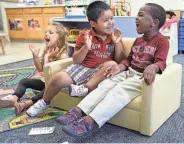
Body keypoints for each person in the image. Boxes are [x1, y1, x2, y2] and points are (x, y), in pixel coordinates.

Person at [58, 3, 170, 137]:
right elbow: (128, 60)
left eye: (141, 15)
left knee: (119, 90)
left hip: (140, 78)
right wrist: (119, 67)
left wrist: (153, 66)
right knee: (106, 83)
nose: (136, 18)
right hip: (128, 72)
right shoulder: (138, 41)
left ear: (154, 22)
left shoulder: (162, 41)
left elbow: (161, 61)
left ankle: (88, 122)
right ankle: (78, 111)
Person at [26, 1, 125, 117]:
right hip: (82, 67)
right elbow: (76, 60)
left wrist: (117, 43)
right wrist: (85, 47)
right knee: (57, 78)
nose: (111, 23)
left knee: (111, 63)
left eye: (111, 18)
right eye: (105, 20)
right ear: (93, 23)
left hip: (100, 72)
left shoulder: (114, 37)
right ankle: (44, 102)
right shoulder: (85, 36)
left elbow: (119, 60)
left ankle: (85, 88)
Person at [0, 22, 69, 115]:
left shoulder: (63, 55)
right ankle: (13, 99)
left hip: (54, 85)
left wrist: (48, 59)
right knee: (24, 81)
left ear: (59, 39)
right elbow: (41, 70)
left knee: (47, 90)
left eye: (51, 33)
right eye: (46, 32)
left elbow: (55, 77)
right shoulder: (47, 50)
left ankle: (25, 104)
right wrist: (35, 56)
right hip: (45, 82)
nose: (46, 34)